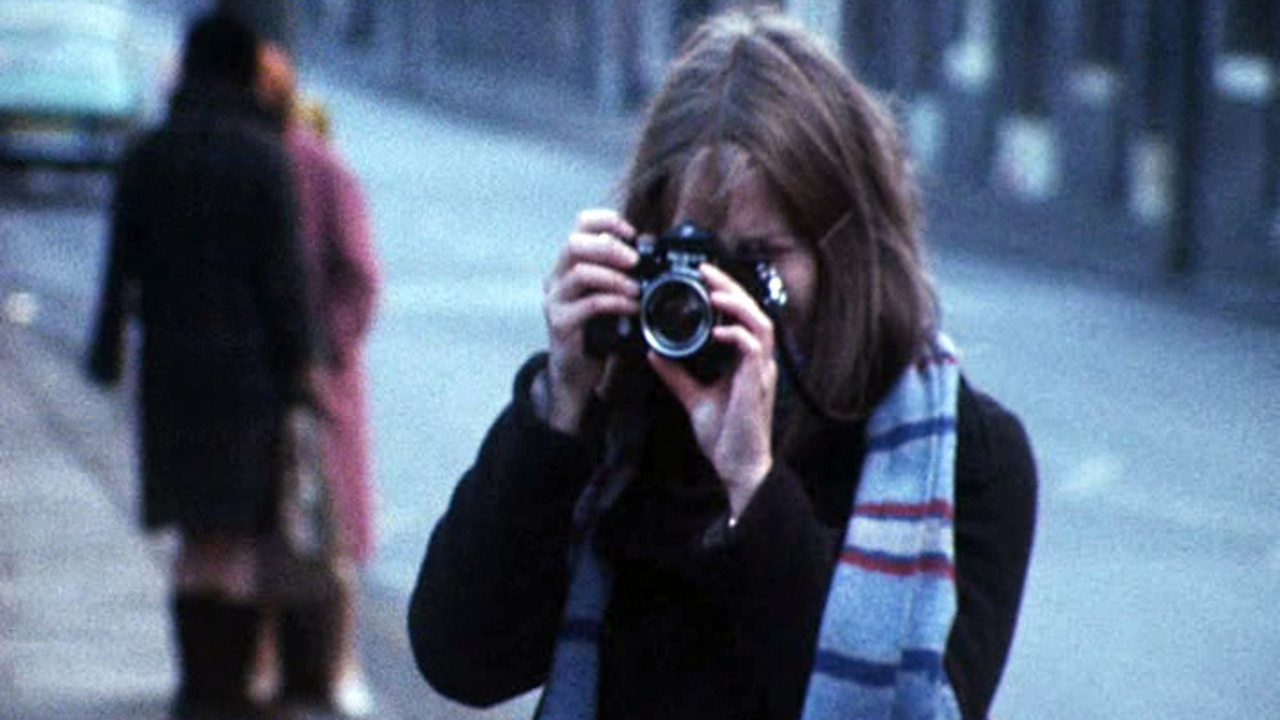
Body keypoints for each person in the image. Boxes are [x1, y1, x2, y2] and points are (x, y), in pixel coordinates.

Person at [408, 8, 1036, 720]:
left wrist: (754, 487)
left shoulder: (961, 456)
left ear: (849, 248)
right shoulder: (622, 411)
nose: (725, 292)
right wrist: (559, 405)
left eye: (760, 258)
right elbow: (461, 659)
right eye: (699, 254)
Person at [86, 11, 312, 720]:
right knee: (241, 534)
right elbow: (285, 280)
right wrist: (301, 368)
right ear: (248, 70)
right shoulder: (264, 157)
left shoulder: (150, 153)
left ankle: (195, 683)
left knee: (192, 534)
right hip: (247, 376)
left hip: (172, 372)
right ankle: (233, 687)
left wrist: (107, 351)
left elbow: (119, 265)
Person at [253, 41, 381, 718]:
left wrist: (319, 348)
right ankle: (271, 660)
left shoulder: (320, 169)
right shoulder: (259, 163)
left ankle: (340, 662)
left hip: (323, 386)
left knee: (331, 538)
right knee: (267, 537)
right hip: (265, 383)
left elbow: (359, 278)